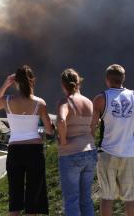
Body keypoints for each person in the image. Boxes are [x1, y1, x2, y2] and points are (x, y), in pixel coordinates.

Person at [0, 65, 54, 216]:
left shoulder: (7, 101)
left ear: (16, 82)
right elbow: (49, 130)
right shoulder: (40, 103)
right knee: (33, 199)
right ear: (33, 81)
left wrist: (5, 84)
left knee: (15, 198)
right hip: (34, 152)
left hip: (15, 152)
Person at [91, 64, 134, 216]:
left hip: (107, 152)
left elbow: (93, 128)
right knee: (130, 197)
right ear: (123, 78)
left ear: (107, 80)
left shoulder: (100, 99)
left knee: (107, 197)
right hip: (130, 153)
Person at [57, 69, 97, 216]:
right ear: (79, 82)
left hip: (71, 154)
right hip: (90, 152)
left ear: (63, 85)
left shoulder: (65, 101)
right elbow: (94, 125)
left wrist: (63, 141)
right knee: (86, 199)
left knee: (72, 199)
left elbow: (61, 120)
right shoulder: (89, 102)